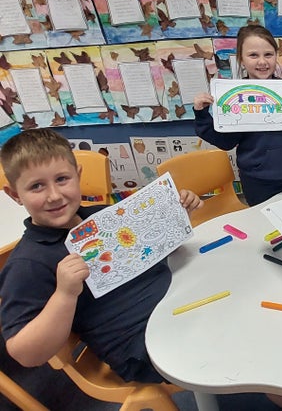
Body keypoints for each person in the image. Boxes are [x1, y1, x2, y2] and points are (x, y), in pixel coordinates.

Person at [0, 128, 203, 383]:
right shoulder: (27, 264)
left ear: (78, 175)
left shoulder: (102, 217)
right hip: (143, 346)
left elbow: (152, 253)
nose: (54, 195)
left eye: (62, 179)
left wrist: (180, 214)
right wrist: (64, 294)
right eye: (36, 186)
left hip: (180, 302)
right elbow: (25, 354)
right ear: (15, 195)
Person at [193, 25, 282, 206]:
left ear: (276, 56)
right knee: (263, 227)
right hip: (257, 180)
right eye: (253, 55)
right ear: (241, 60)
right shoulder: (234, 97)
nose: (262, 62)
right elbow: (225, 142)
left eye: (268, 54)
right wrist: (202, 114)